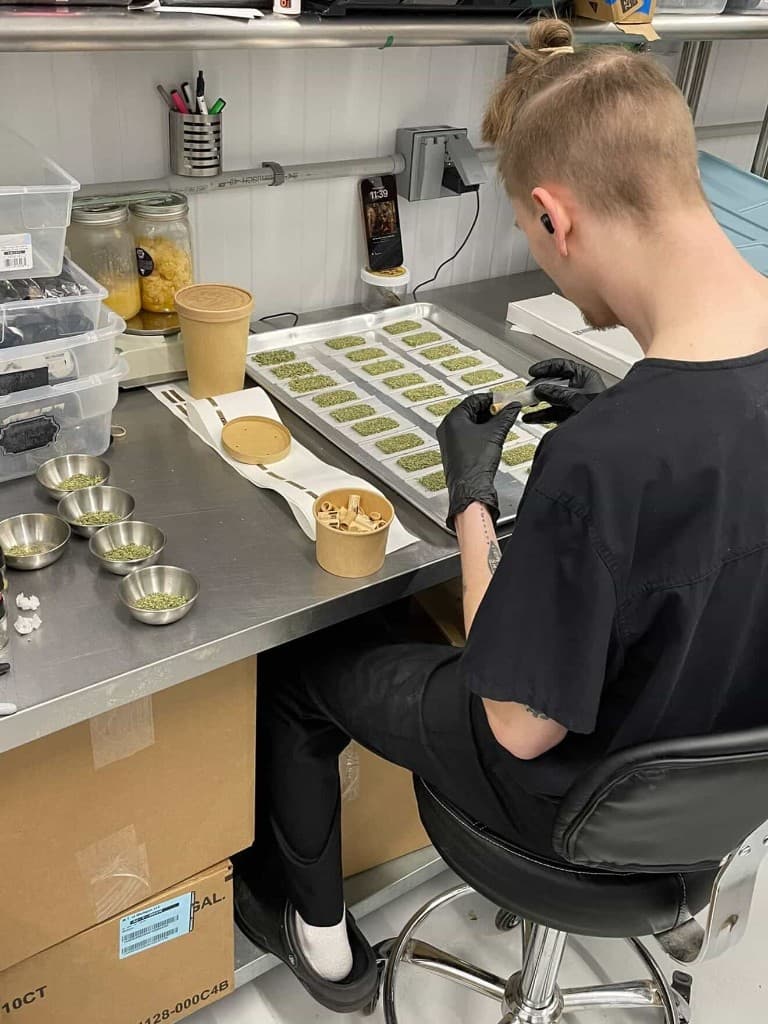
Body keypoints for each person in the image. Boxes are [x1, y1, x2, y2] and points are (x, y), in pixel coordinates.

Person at [233, 16, 768, 1013]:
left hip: (569, 803)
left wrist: (472, 499)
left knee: (304, 668)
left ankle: (321, 947)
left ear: (554, 217)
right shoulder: (645, 428)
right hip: (718, 798)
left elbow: (517, 723)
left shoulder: (605, 461)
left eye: (527, 232)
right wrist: (620, 407)